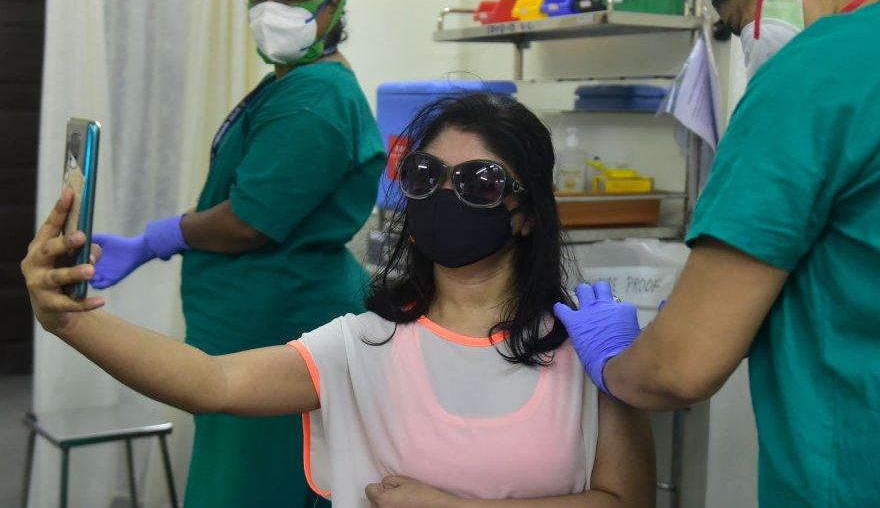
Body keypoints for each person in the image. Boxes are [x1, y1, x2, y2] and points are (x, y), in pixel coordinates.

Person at [22, 94, 655, 508]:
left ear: (526, 211)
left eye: (479, 181)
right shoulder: (366, 346)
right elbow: (211, 382)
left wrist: (622, 380)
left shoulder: (583, 343)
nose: (443, 194)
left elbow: (625, 502)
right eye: (424, 176)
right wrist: (68, 319)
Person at [555, 0, 880, 506]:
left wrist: (615, 364)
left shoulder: (823, 68)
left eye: (733, 24)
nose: (749, 45)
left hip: (875, 480)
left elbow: (682, 367)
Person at [86, 0, 386, 505]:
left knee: (254, 484)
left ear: (334, 4)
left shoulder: (316, 97)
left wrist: (161, 238)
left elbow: (251, 221)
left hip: (280, 319)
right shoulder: (294, 83)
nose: (271, 8)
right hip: (256, 316)